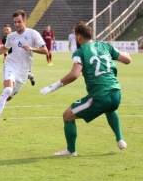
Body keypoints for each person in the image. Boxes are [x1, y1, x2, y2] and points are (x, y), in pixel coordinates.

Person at [40, 21, 131, 156]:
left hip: (99, 97)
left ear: (79, 37)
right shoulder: (105, 46)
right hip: (116, 93)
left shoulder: (80, 51)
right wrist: (124, 53)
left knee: (67, 115)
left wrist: (54, 86)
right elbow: (127, 60)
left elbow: (74, 74)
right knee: (110, 108)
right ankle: (120, 139)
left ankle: (71, 151)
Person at [0, 10, 47, 132]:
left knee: (8, 97)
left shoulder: (33, 34)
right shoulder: (11, 36)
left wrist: (32, 48)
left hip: (23, 71)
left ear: (25, 21)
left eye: (19, 22)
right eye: (15, 22)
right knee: (7, 89)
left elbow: (45, 51)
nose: (17, 24)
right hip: (10, 65)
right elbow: (4, 48)